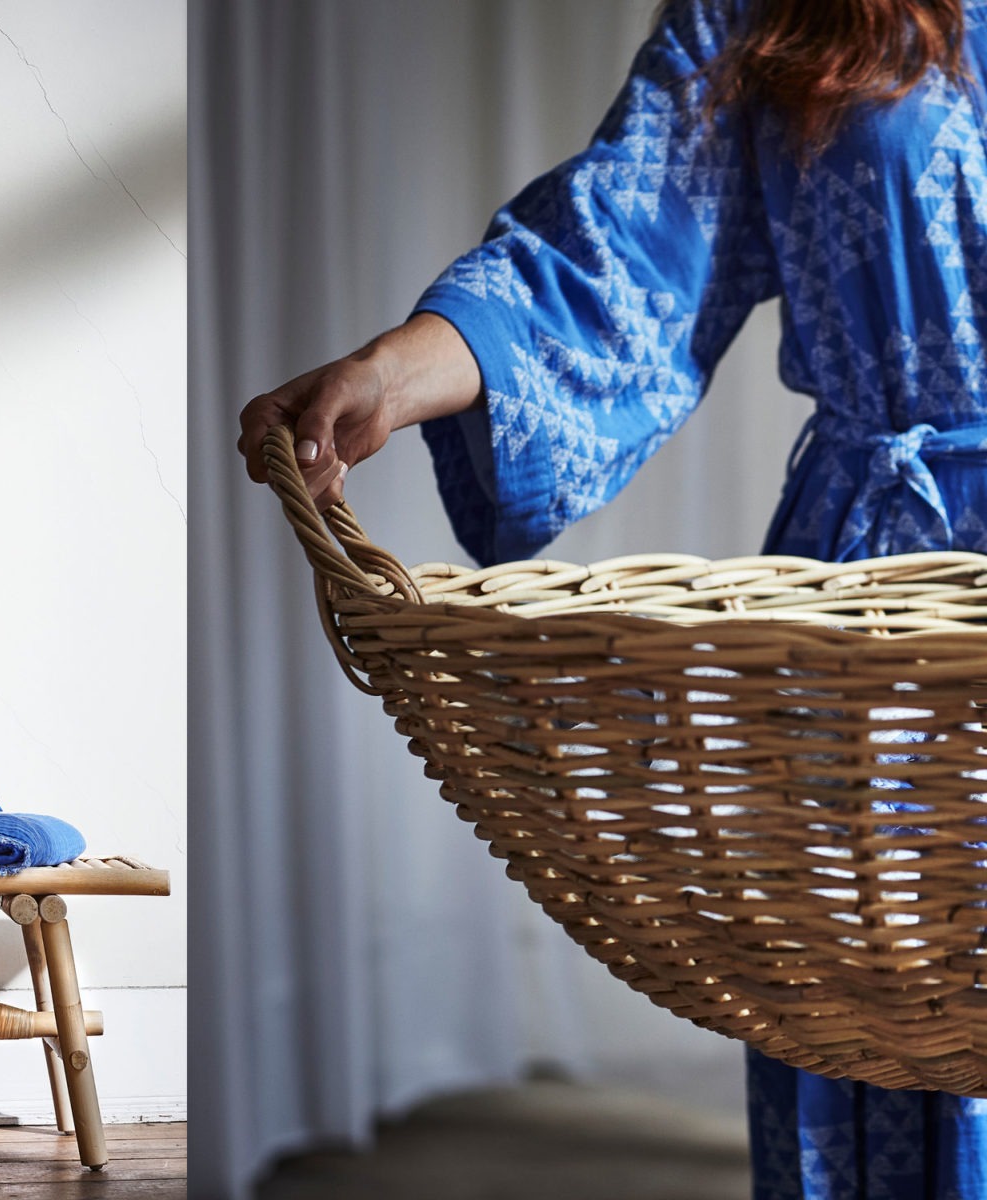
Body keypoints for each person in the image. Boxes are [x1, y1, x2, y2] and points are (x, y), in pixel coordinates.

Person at [237, 0, 987, 1196]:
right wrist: (393, 370)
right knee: (872, 1008)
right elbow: (616, 256)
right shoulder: (770, 12)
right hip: (874, 622)